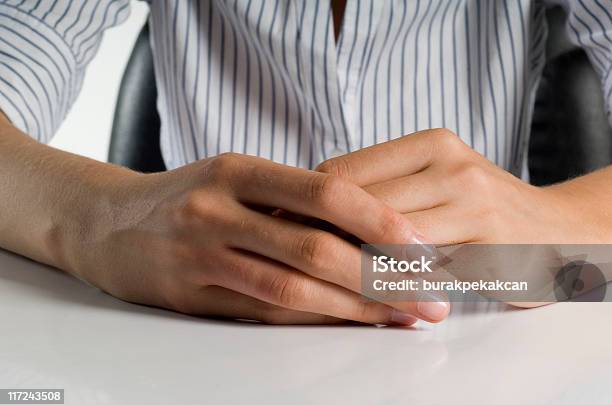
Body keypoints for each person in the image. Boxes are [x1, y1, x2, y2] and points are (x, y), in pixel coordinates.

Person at [0, 0, 611, 327]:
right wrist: (98, 219)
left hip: (490, 319)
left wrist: (563, 232)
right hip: (198, 341)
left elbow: (577, 265)